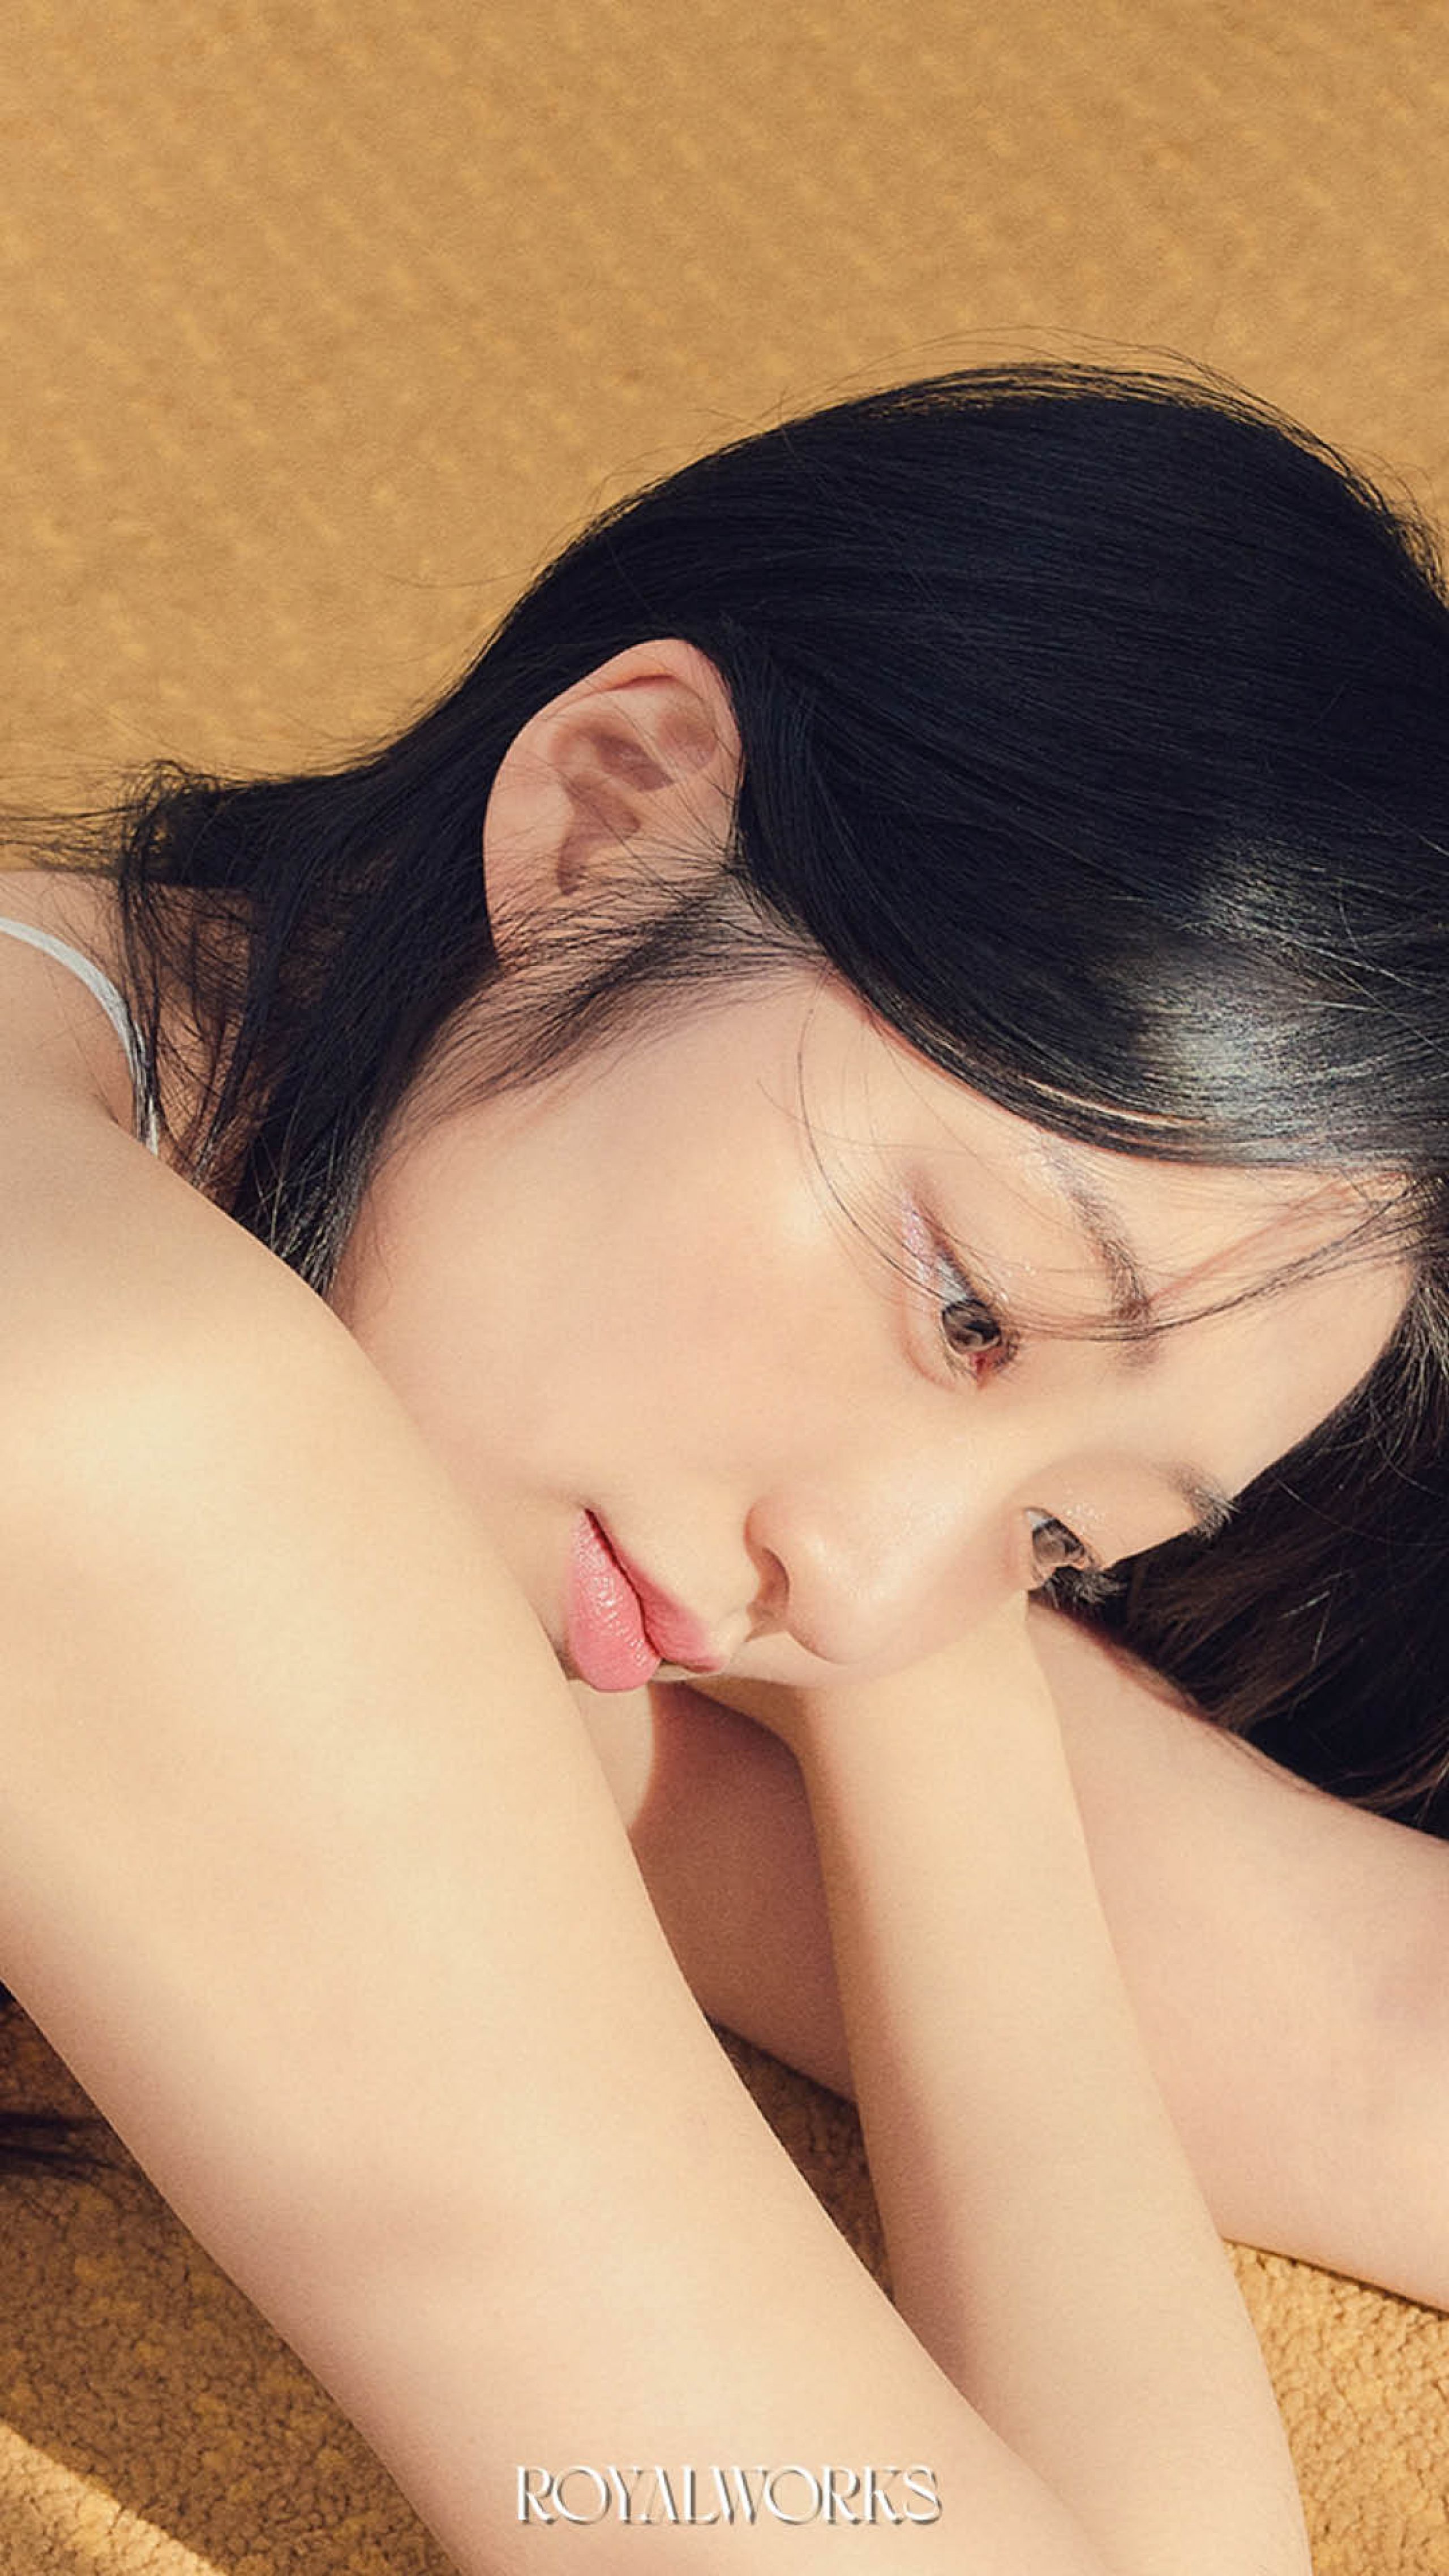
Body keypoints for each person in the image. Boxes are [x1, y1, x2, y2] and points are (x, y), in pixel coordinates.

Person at [1, 356, 1446, 2574]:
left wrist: (943, 1716)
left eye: (1064, 1539)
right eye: (968, 1309)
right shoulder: (111, 1393)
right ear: (611, 816)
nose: (859, 1587)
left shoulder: (504, 1433)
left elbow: (1381, 2039)